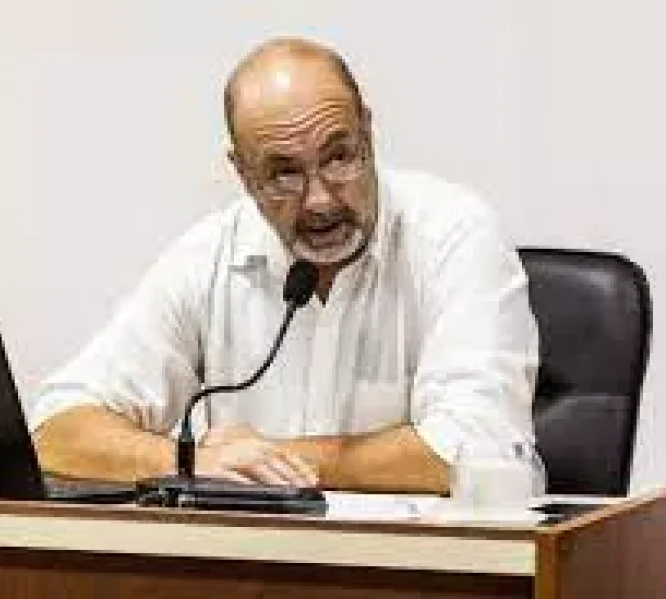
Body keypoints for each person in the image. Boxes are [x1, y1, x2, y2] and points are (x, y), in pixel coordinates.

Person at [29, 37, 540, 495]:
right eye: (283, 174)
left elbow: (478, 450)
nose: (319, 200)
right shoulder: (210, 255)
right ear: (241, 173)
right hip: (250, 560)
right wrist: (191, 463)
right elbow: (56, 430)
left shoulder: (454, 235)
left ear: (367, 132)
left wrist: (266, 461)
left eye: (338, 158)